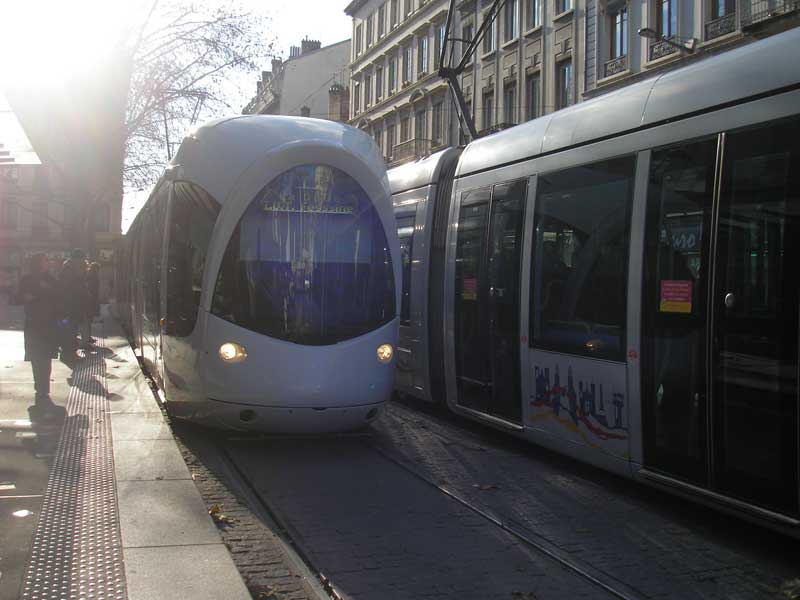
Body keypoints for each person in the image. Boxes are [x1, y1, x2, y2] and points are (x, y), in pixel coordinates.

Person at [17, 253, 60, 416]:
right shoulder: (27, 280)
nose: (47, 264)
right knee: (37, 358)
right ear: (37, 264)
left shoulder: (51, 279)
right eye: (44, 261)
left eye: (47, 261)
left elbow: (58, 295)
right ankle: (40, 387)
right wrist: (26, 297)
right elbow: (18, 297)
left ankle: (44, 388)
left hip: (48, 325)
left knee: (46, 358)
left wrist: (47, 291)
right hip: (34, 324)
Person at [59, 249, 90, 360]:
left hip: (75, 305)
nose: (84, 261)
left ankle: (70, 352)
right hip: (70, 306)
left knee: (73, 329)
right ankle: (69, 353)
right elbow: (68, 289)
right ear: (76, 259)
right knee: (70, 330)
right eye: (82, 259)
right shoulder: (69, 271)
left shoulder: (72, 270)